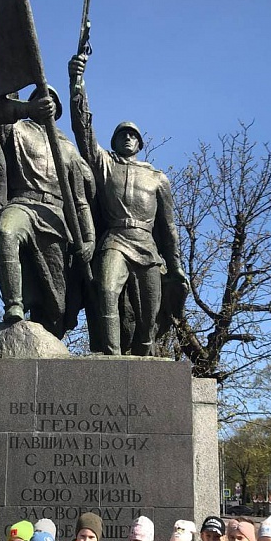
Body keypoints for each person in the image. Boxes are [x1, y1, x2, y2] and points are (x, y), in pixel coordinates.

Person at [68, 53, 188, 355]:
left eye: (133, 135)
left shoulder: (157, 178)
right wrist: (77, 83)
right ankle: (110, 356)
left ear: (140, 143)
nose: (127, 138)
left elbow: (169, 227)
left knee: (150, 312)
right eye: (122, 134)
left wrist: (175, 266)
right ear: (114, 140)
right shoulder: (104, 163)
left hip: (147, 246)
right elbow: (83, 130)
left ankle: (144, 354)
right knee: (107, 291)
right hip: (115, 240)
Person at [0, 86, 95, 337]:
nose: (45, 102)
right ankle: (14, 305)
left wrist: (89, 238)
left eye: (50, 99)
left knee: (57, 306)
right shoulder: (15, 129)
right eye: (40, 98)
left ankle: (50, 342)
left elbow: (81, 201)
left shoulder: (68, 149)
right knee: (6, 231)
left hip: (55, 217)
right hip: (22, 204)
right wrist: (24, 109)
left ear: (57, 109)